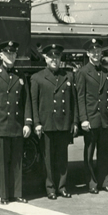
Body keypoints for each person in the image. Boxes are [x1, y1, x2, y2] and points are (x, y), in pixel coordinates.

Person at [0, 41, 32, 205]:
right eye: (7, 53)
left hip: (17, 125)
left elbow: (26, 102)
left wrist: (27, 123)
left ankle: (17, 193)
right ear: (1, 55)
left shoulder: (21, 76)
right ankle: (4, 195)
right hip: (2, 126)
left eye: (13, 53)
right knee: (3, 162)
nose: (11, 56)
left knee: (17, 161)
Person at [30, 44, 78, 200]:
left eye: (57, 57)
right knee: (48, 159)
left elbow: (74, 102)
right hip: (47, 124)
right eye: (51, 57)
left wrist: (75, 122)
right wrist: (36, 123)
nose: (54, 60)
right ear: (45, 58)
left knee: (62, 158)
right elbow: (34, 103)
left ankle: (62, 186)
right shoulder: (37, 78)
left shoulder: (68, 76)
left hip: (64, 123)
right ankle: (50, 188)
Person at [75, 38, 108, 194]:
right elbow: (81, 97)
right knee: (90, 153)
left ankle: (105, 182)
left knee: (105, 153)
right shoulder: (82, 72)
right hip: (91, 119)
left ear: (101, 53)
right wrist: (83, 119)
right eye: (93, 52)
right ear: (88, 53)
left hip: (104, 118)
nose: (96, 54)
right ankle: (91, 183)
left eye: (98, 51)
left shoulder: (106, 72)